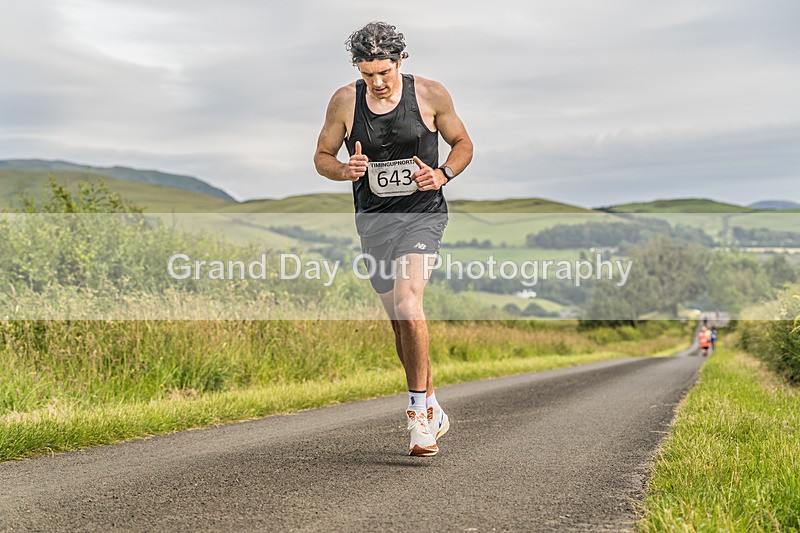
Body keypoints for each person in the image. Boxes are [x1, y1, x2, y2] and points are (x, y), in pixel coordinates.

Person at [314, 21, 473, 456]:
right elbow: (322, 157)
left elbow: (462, 143)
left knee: (409, 302)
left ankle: (418, 416)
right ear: (357, 69)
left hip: (422, 216)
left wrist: (442, 174)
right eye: (368, 75)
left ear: (400, 61)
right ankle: (434, 405)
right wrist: (343, 170)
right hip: (373, 222)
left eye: (385, 72)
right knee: (399, 321)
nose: (378, 83)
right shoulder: (345, 102)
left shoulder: (430, 94)